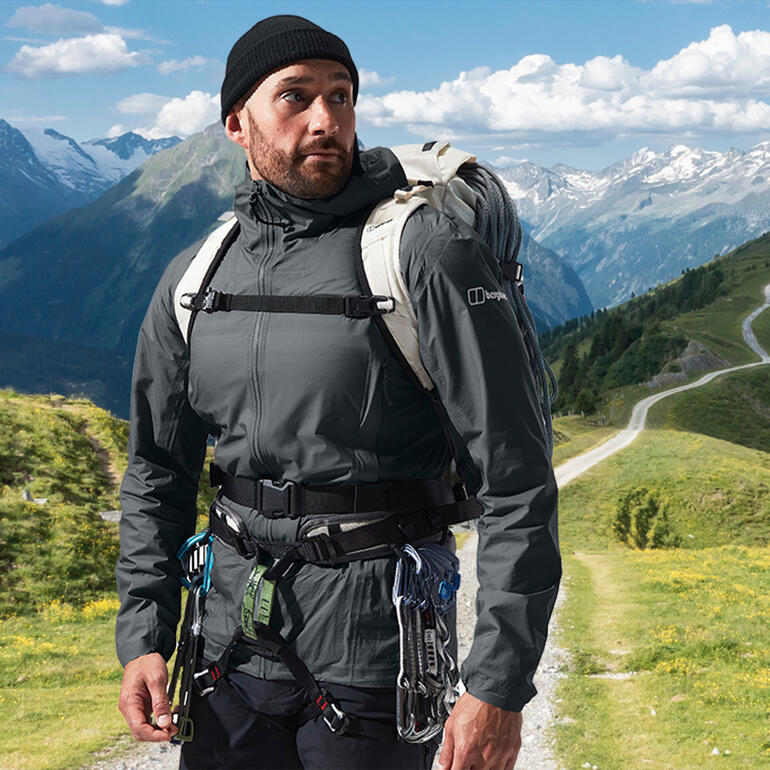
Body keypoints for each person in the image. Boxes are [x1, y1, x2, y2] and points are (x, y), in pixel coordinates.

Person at [116, 14, 560, 770]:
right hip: (224, 652)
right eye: (296, 97)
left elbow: (517, 482)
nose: (327, 120)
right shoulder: (197, 277)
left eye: (342, 95)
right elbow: (157, 470)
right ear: (236, 122)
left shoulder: (422, 254)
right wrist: (144, 637)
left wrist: (499, 686)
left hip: (378, 657)